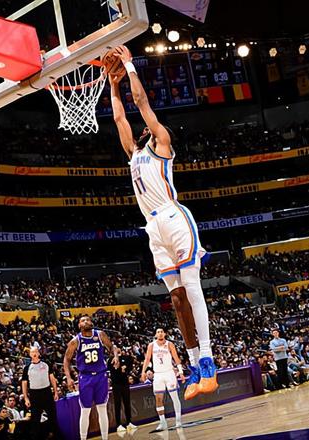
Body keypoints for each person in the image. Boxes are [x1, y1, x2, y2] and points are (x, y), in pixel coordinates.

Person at [109, 44, 217, 401]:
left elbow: (140, 103)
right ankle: (193, 365)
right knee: (177, 298)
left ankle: (208, 362)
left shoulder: (161, 144)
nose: (142, 128)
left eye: (147, 127)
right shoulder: (134, 154)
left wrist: (129, 66)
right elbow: (120, 119)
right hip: (152, 228)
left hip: (173, 216)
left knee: (192, 286)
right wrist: (112, 84)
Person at [63, 315, 118, 440]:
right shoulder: (76, 341)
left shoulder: (100, 335)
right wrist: (68, 377)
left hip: (101, 376)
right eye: (83, 320)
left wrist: (115, 356)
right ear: (79, 325)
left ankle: (105, 438)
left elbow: (112, 347)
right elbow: (66, 359)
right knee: (85, 410)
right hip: (85, 377)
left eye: (88, 320)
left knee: (102, 408)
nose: (87, 322)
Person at [140, 328, 185, 431]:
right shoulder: (151, 345)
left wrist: (181, 372)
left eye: (161, 332)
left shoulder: (169, 344)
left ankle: (178, 420)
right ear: (156, 335)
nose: (160, 333)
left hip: (169, 373)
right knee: (158, 399)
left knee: (174, 397)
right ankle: (163, 422)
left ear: (164, 334)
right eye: (158, 332)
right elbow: (147, 359)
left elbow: (176, 358)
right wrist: (143, 372)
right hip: (158, 374)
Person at [21, 346, 60, 439]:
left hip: (46, 392)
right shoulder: (27, 368)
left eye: (36, 351)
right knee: (35, 419)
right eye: (32, 352)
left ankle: (55, 435)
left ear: (39, 353)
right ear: (30, 354)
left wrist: (55, 392)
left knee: (52, 416)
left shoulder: (46, 364)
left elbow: (52, 379)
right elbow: (24, 383)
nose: (34, 353)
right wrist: (26, 398)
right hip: (34, 394)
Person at [108, 347, 136, 433]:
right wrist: (120, 368)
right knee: (118, 405)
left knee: (127, 403)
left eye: (118, 348)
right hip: (116, 385)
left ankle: (129, 422)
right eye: (115, 349)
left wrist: (125, 368)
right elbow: (112, 369)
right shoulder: (110, 360)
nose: (117, 349)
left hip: (125, 384)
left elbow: (131, 362)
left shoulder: (125, 357)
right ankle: (118, 425)